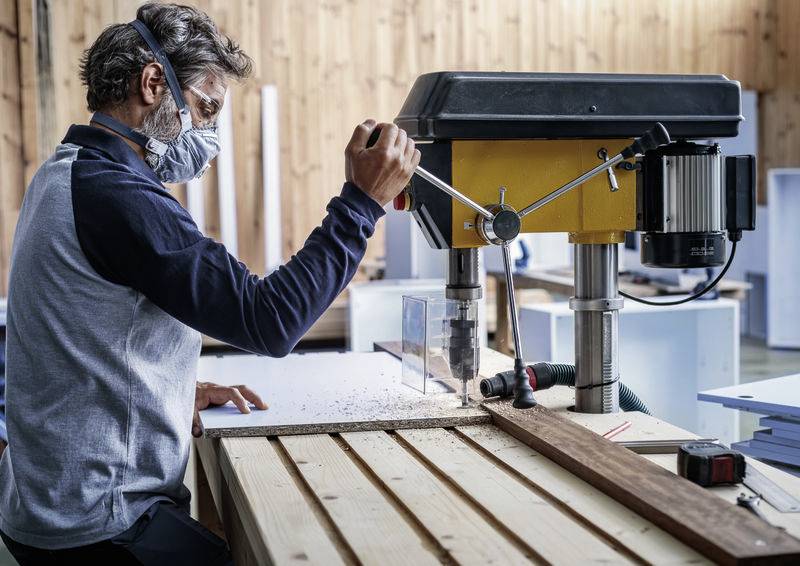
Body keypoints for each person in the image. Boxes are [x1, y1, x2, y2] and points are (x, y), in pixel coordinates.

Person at [0, 3, 419, 564]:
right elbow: (268, 319)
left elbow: (77, 338)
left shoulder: (65, 172)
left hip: (45, 504)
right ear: (153, 84)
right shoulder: (118, 197)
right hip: (99, 524)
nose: (208, 133)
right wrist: (361, 206)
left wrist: (164, 394)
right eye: (205, 108)